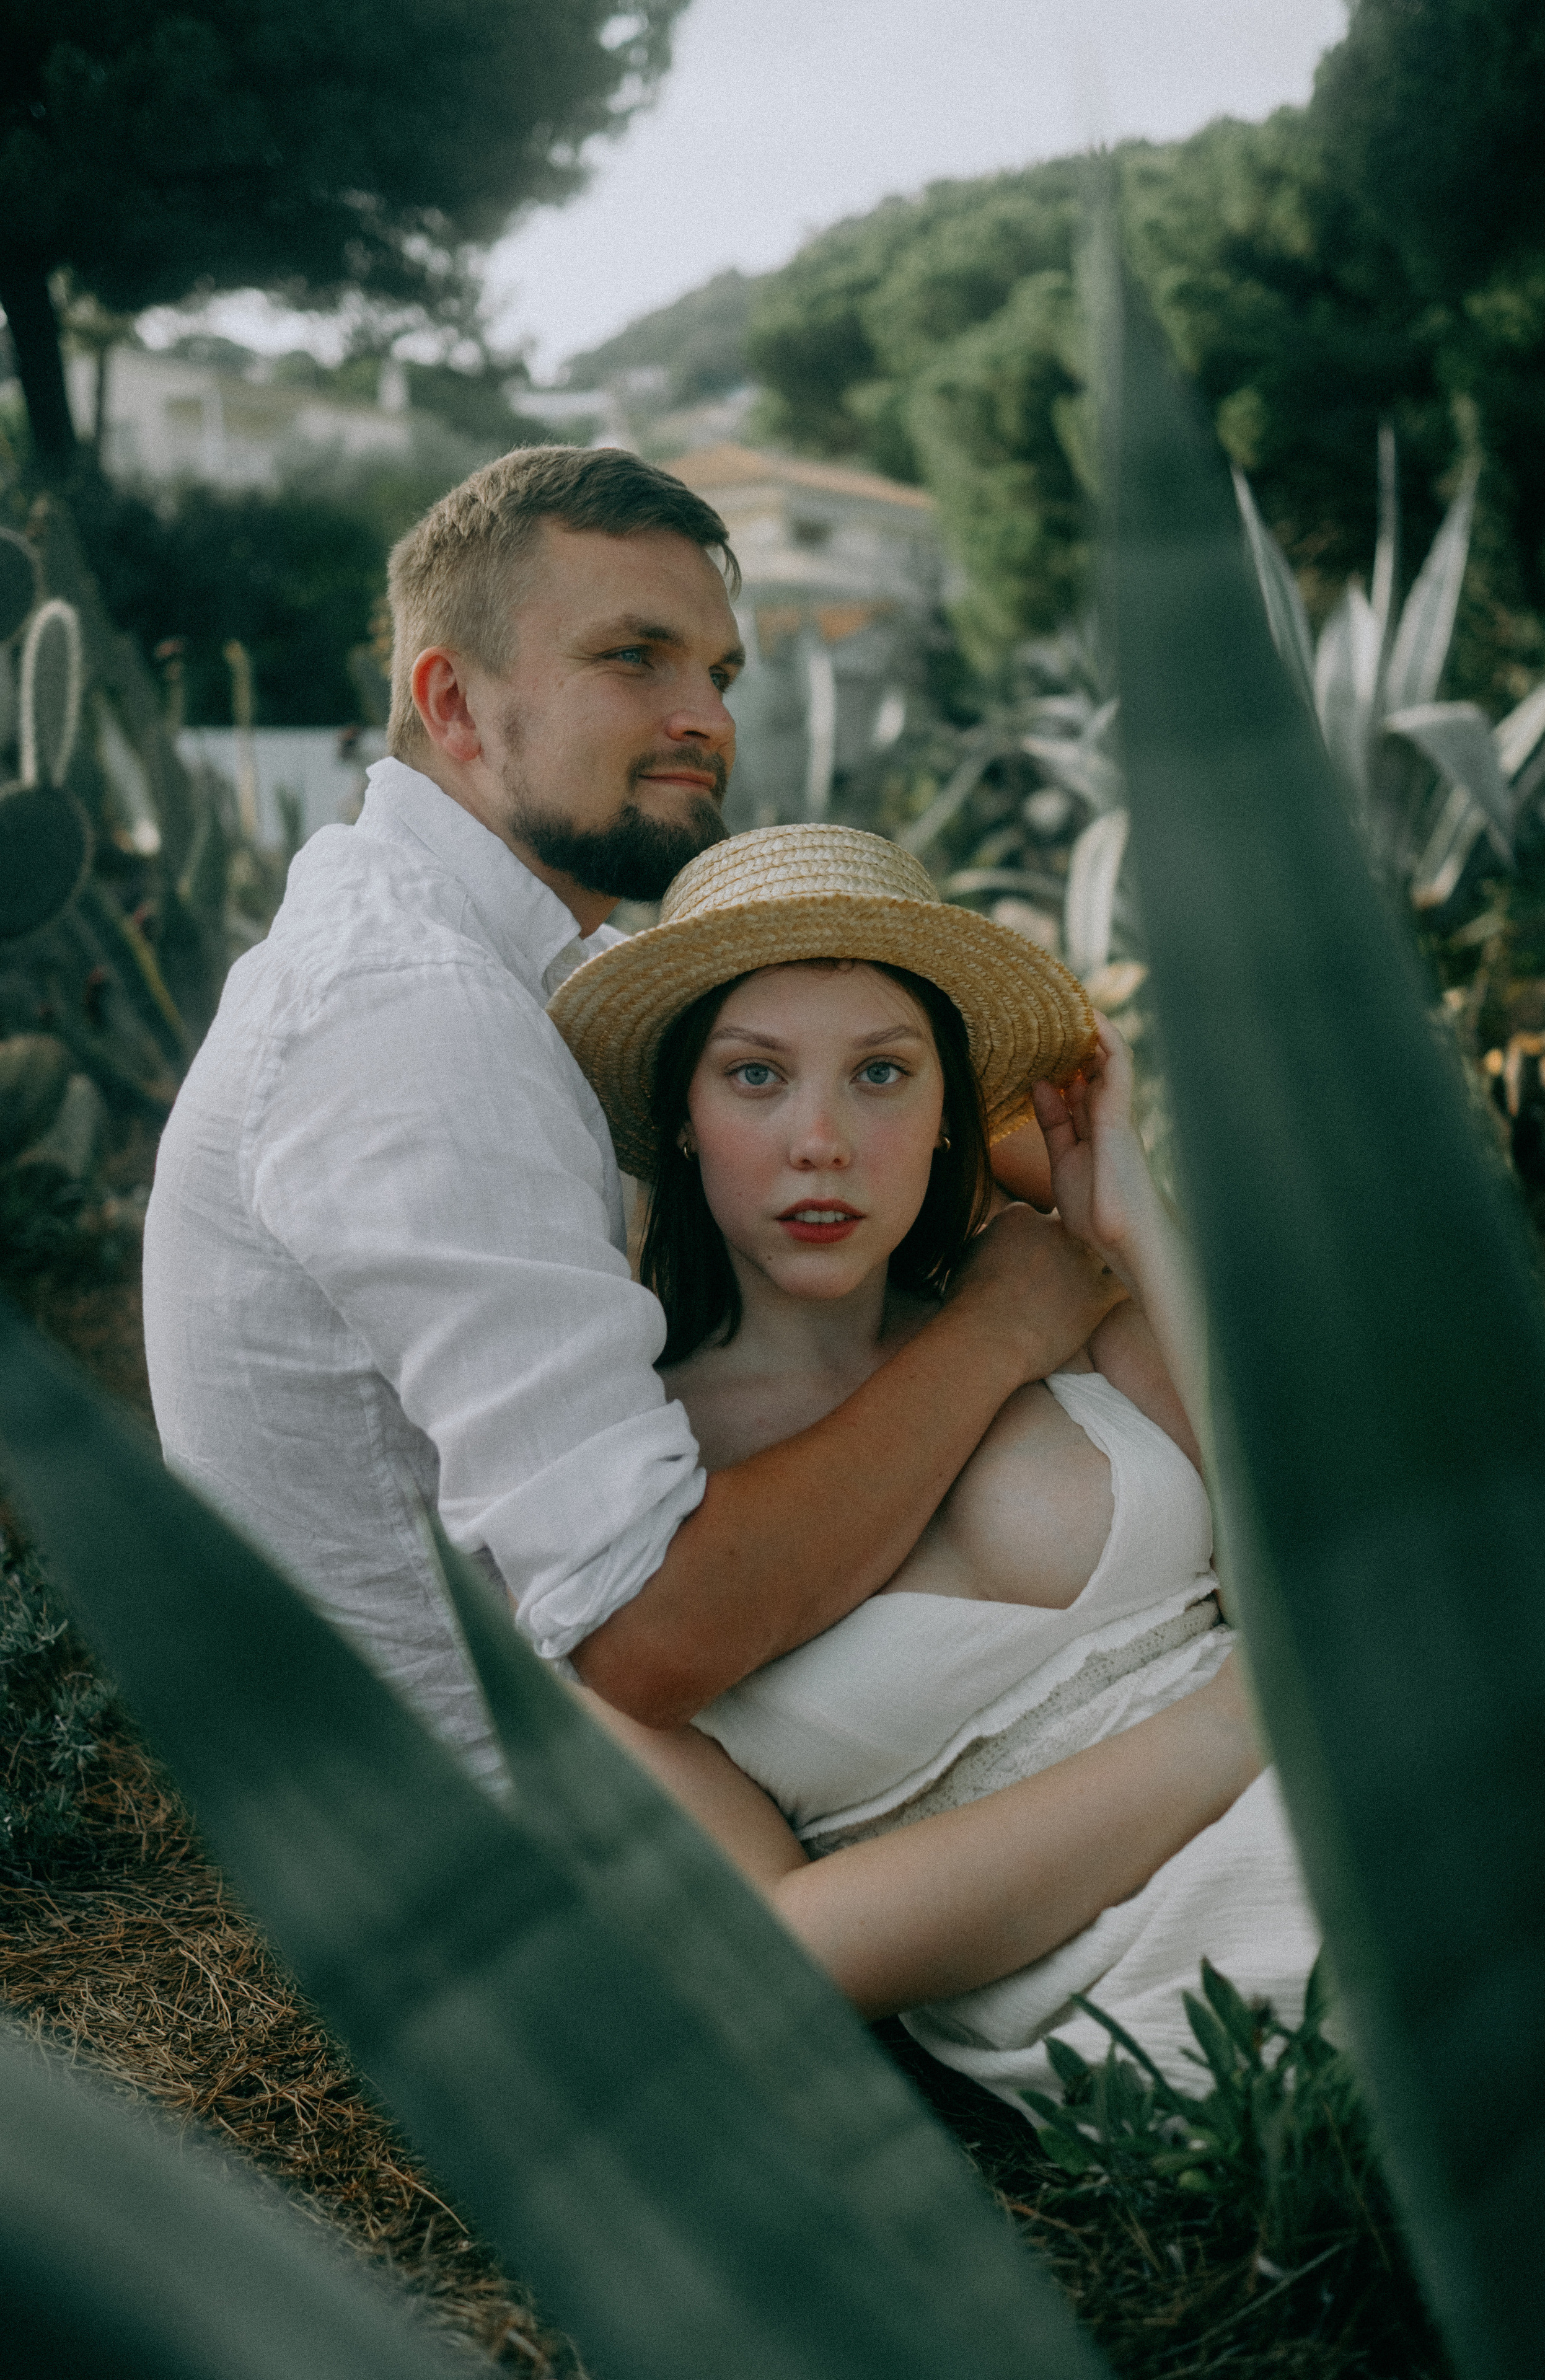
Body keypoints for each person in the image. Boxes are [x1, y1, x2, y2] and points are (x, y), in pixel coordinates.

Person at [142, 446, 1118, 1788]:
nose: (702, 718)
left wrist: (1023, 1128)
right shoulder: (412, 1016)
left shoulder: (520, 957)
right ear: (454, 703)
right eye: (633, 658)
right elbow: (647, 1632)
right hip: (530, 1854)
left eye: (716, 674)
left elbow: (956, 1130)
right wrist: (1003, 1325)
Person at [547, 824, 1321, 2100]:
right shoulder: (627, 1487)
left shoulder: (1056, 1291)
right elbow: (780, 1952)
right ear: (678, 1117)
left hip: (1331, 1756)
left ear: (946, 1114)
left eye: (881, 1075)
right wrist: (1246, 1717)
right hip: (1123, 1946)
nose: (820, 1141)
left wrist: (1131, 1218)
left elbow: (1302, 1542)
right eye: (753, 1078)